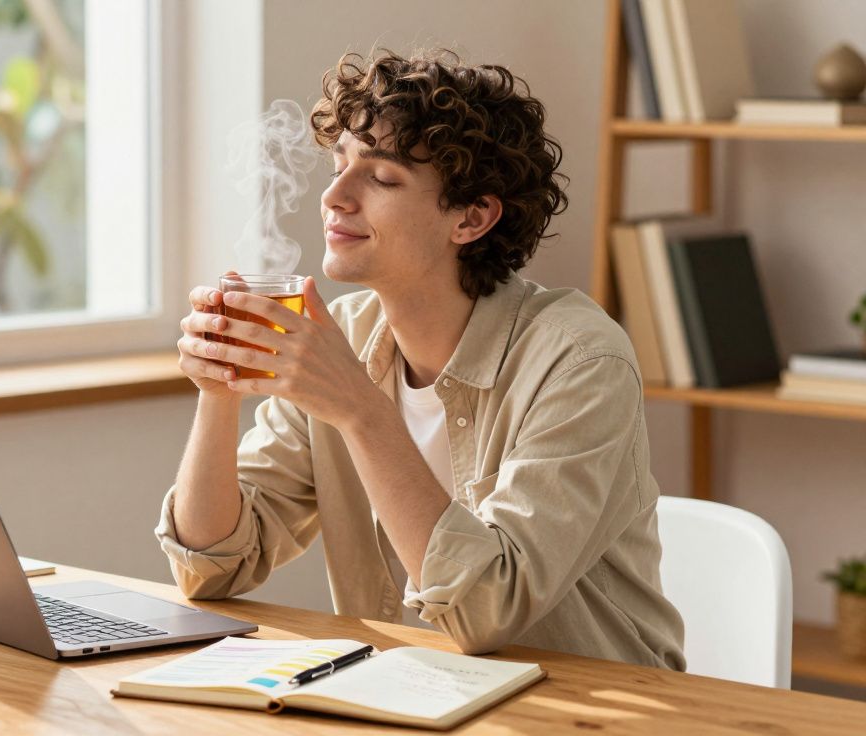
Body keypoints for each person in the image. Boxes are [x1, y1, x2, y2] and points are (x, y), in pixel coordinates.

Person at [155, 49, 686, 670]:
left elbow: (488, 609)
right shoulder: (345, 337)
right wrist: (218, 387)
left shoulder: (579, 361)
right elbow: (214, 568)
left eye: (380, 178)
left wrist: (358, 408)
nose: (334, 197)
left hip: (587, 708)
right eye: (338, 166)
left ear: (472, 217)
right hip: (411, 697)